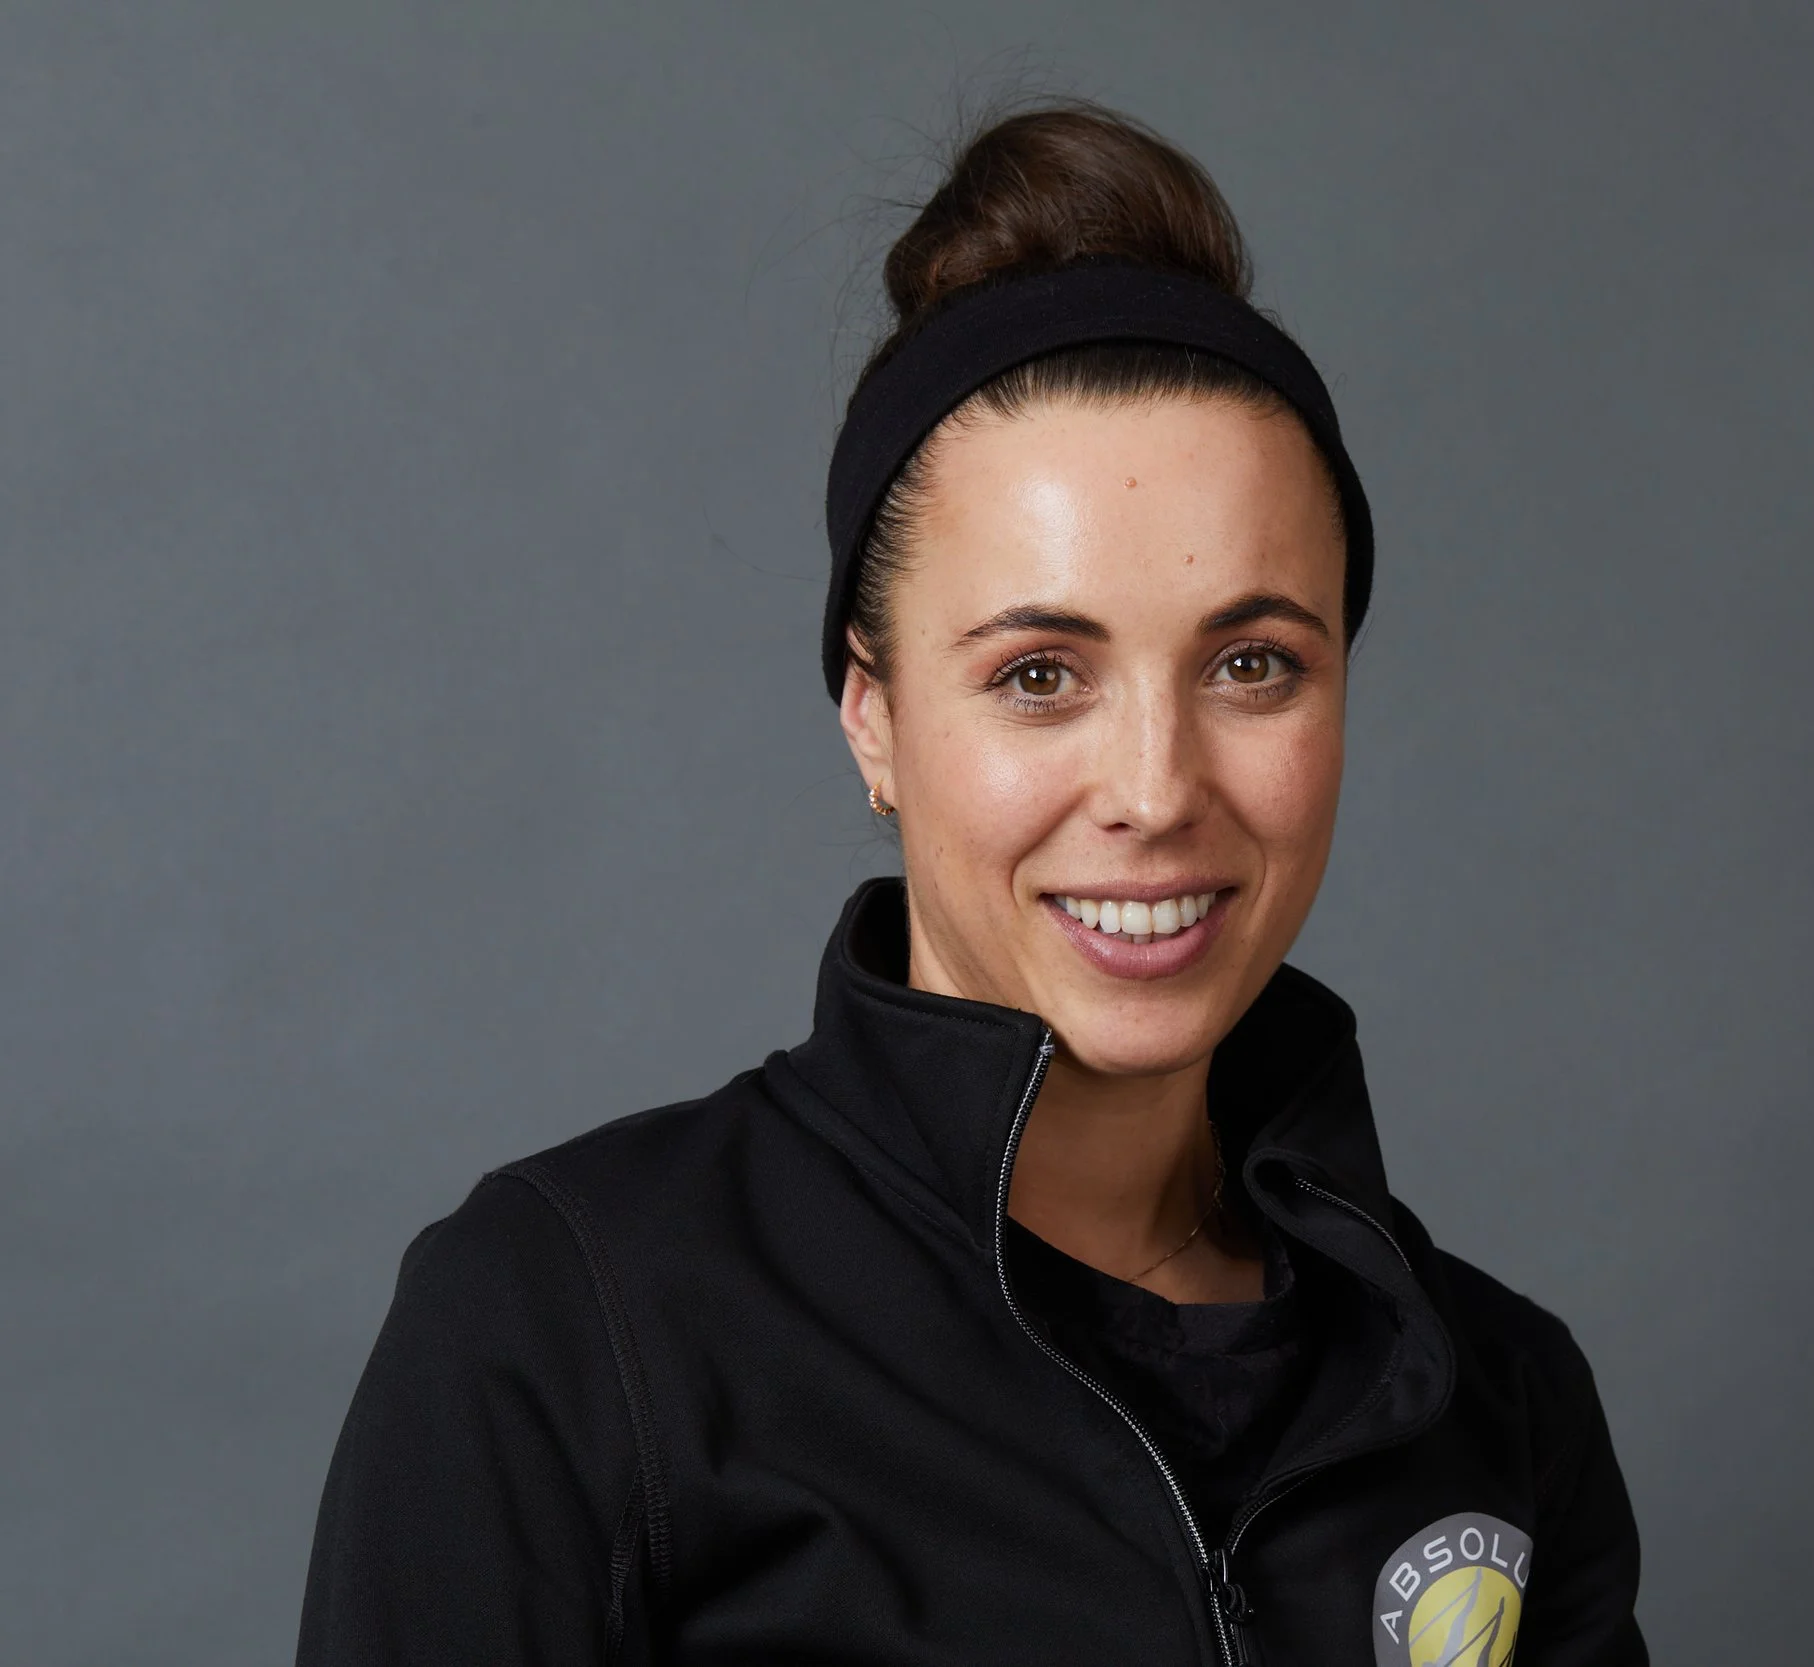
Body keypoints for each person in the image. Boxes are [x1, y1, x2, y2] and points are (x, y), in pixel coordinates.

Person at [296, 101, 1645, 1667]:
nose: (1155, 789)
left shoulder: (1497, 1393)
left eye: (1254, 662)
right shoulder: (565, 1329)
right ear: (873, 715)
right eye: (1039, 675)